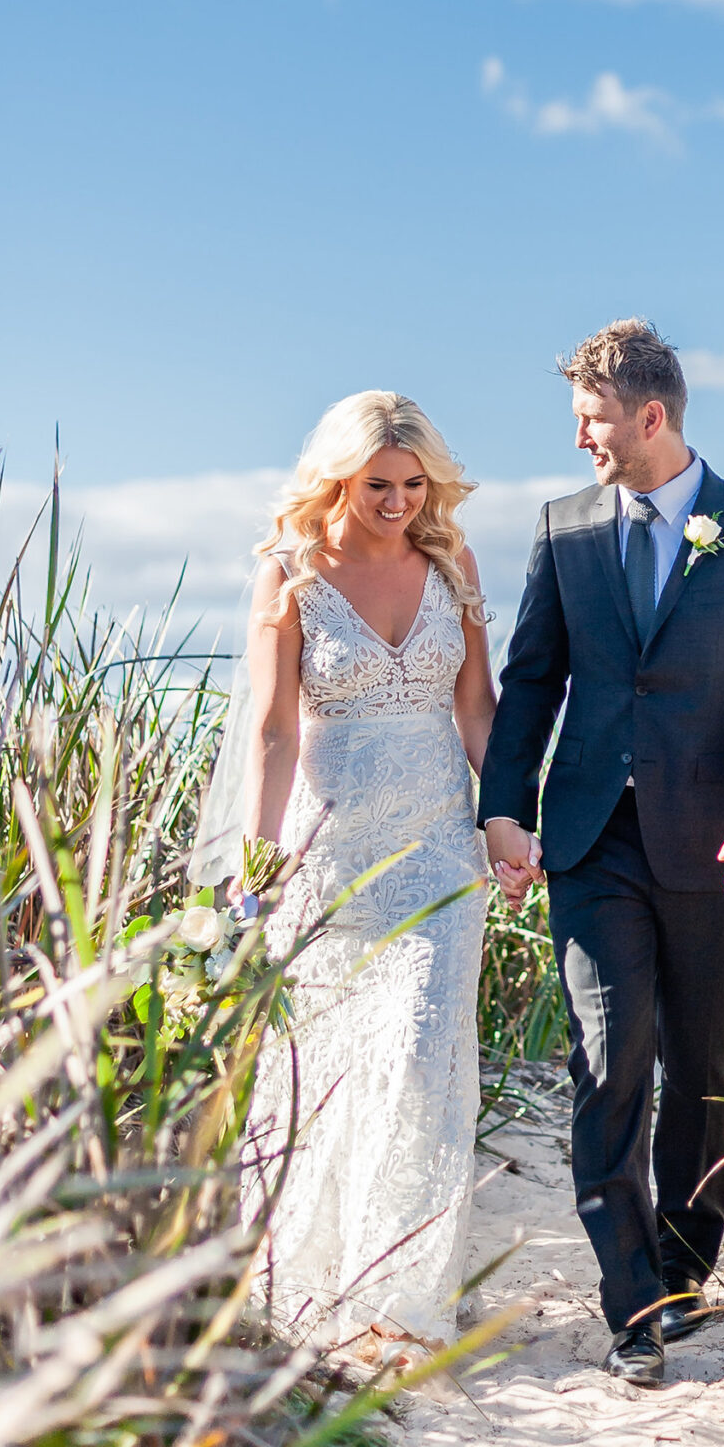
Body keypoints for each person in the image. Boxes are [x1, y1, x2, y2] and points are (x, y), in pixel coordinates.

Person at [479, 319, 724, 1386]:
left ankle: (682, 1265)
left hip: (714, 840)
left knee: (703, 1061)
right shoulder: (563, 528)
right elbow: (532, 679)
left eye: (594, 422)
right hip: (589, 838)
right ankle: (630, 1299)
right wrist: (502, 809)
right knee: (607, 1049)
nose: (584, 442)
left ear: (651, 416)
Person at [230, 391, 495, 1367]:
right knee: (331, 1075)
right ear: (339, 477)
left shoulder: (451, 565)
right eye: (378, 483)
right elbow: (270, 728)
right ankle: (312, 1290)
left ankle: (397, 1306)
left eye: (413, 483)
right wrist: (257, 867)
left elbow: (478, 708)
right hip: (330, 857)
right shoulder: (291, 572)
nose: (397, 501)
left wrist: (508, 819)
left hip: (435, 849)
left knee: (422, 1062)